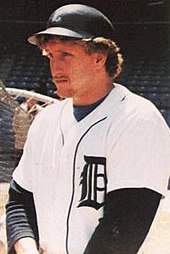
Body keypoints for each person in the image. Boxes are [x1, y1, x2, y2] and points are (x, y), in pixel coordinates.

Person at [6, 4, 170, 254]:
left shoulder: (137, 120)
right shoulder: (45, 121)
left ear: (99, 57)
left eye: (66, 55)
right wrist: (26, 248)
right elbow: (20, 201)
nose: (55, 68)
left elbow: (124, 229)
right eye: (50, 56)